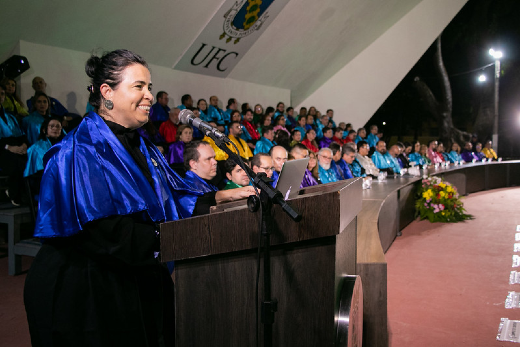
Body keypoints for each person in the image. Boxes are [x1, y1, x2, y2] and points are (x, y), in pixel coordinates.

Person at [24, 49, 202, 347]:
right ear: (107, 92)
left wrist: (220, 197)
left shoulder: (141, 145)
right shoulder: (79, 150)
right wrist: (174, 236)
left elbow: (173, 195)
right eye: (139, 86)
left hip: (132, 267)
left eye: (149, 86)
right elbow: (106, 232)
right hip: (87, 287)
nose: (149, 95)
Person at [183, 141, 255, 209]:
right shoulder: (187, 188)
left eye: (214, 158)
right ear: (193, 164)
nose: (215, 162)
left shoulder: (208, 184)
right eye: (208, 159)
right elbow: (199, 205)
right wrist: (230, 194)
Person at [0, 83, 27, 206]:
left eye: (2, 94)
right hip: (2, 150)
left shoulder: (10, 116)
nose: (0, 96)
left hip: (15, 146)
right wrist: (9, 148)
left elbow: (20, 135)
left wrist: (24, 145)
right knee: (17, 162)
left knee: (30, 159)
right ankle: (13, 192)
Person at [24, 117, 65, 196]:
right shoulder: (36, 147)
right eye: (52, 126)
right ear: (44, 130)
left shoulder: (66, 145)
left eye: (58, 126)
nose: (55, 129)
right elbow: (38, 168)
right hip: (42, 178)